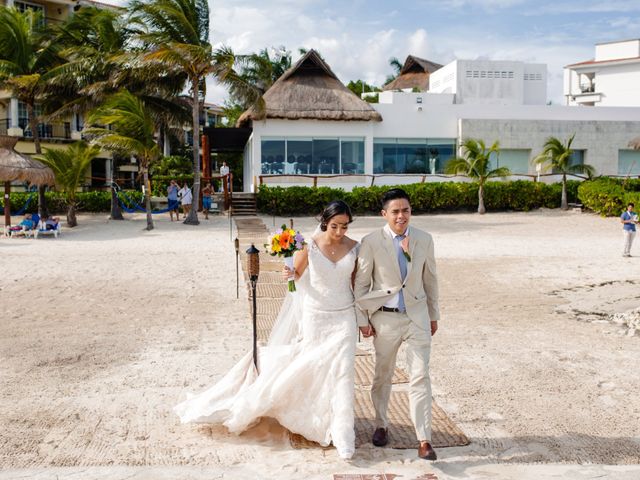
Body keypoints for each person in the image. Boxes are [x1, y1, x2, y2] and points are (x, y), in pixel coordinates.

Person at [174, 201, 359, 459]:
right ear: (325, 222)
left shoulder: (355, 247)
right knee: (315, 368)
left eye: (345, 226)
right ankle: (318, 416)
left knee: (344, 371)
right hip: (317, 316)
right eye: (335, 226)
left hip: (344, 317)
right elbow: (297, 274)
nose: (339, 232)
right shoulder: (310, 245)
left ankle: (343, 431)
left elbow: (356, 284)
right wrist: (290, 272)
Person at [354, 188, 440, 461]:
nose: (401, 216)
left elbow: (431, 279)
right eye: (395, 211)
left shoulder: (424, 239)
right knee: (383, 374)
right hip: (385, 318)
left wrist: (433, 314)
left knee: (420, 376)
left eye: (406, 210)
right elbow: (361, 283)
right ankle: (381, 424)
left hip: (417, 317)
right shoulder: (370, 241)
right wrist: (363, 319)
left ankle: (424, 439)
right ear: (384, 214)